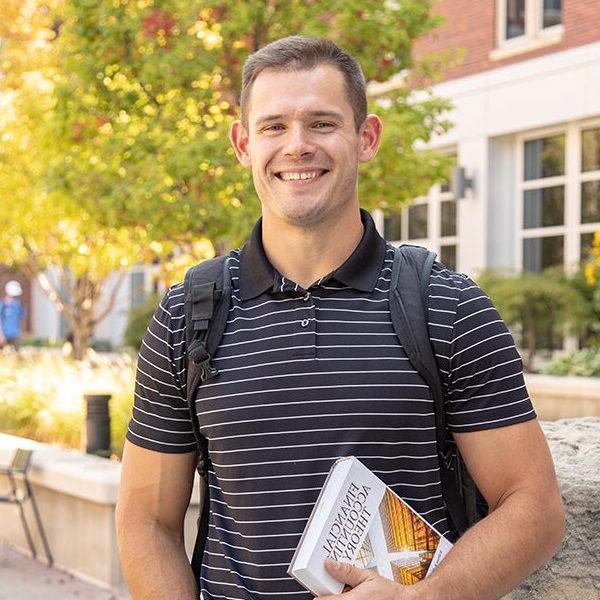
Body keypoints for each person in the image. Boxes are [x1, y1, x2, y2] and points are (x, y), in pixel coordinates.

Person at [116, 36, 564, 600]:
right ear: (243, 143)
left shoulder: (448, 307)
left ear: (366, 136)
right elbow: (146, 521)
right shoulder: (188, 315)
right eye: (274, 126)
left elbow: (533, 507)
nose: (297, 146)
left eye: (322, 123)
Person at [0, 280, 26, 350]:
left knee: (17, 354)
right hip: (4, 334)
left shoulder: (18, 304)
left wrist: (21, 331)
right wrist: (1, 335)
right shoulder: (3, 304)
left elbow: (22, 317)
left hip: (15, 334)